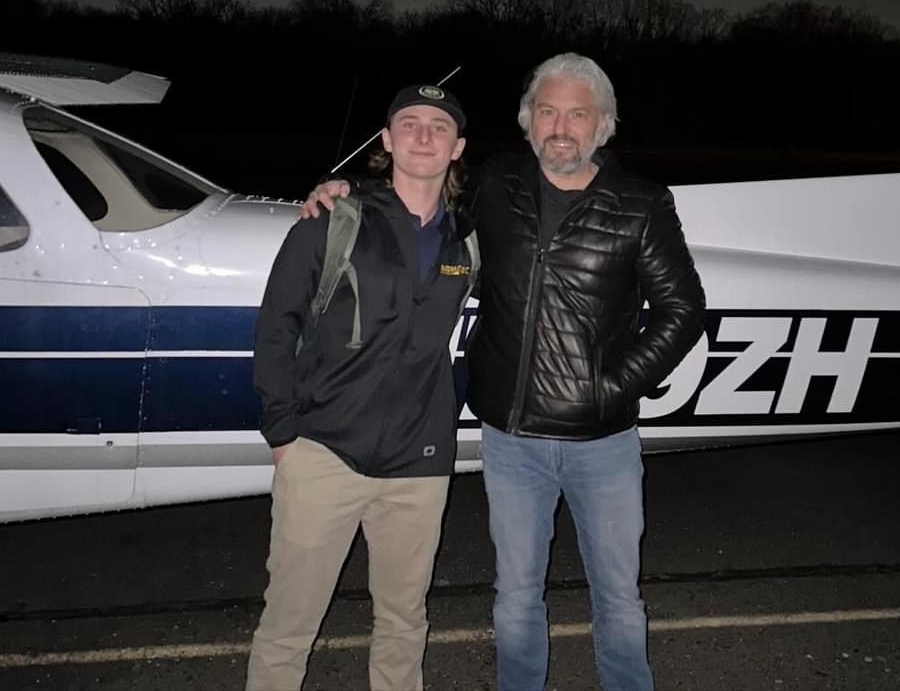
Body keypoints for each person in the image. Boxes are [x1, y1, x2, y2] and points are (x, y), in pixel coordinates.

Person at [301, 53, 707, 691]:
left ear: (603, 125)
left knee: (619, 599)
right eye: (547, 111)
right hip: (511, 440)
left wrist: (612, 386)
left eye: (578, 113)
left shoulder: (642, 202)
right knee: (515, 598)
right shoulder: (496, 184)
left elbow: (683, 309)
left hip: (603, 442)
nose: (561, 127)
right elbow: (420, 208)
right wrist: (348, 191)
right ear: (528, 122)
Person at [247, 84, 477, 691]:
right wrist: (283, 436)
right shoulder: (334, 218)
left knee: (404, 622)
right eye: (409, 123)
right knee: (288, 625)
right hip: (323, 452)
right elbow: (276, 328)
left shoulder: (470, 240)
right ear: (385, 141)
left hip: (420, 462)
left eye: (438, 126)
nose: (424, 135)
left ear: (458, 148)